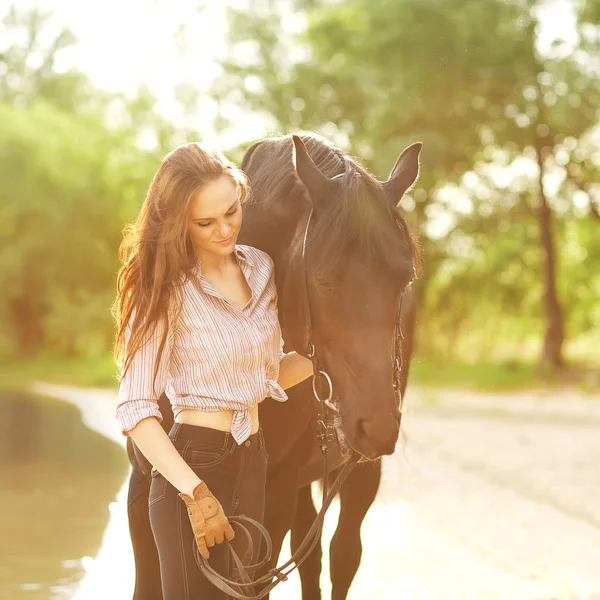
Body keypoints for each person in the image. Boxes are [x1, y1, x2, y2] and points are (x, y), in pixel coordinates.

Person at [112, 142, 314, 599]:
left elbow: (259, 381)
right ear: (178, 222)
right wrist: (196, 494)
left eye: (232, 212)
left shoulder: (261, 269)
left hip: (253, 460)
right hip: (194, 467)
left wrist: (330, 356)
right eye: (206, 223)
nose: (224, 230)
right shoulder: (163, 289)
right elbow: (135, 409)